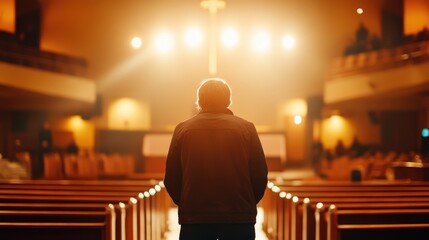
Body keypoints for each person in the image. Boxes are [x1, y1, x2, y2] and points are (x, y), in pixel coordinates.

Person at [164, 78, 268, 240]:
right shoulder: (246, 129)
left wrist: (187, 202)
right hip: (238, 215)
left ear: (199, 101)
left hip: (195, 216)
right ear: (228, 101)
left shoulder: (183, 129)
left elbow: (171, 177)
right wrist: (246, 203)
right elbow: (259, 175)